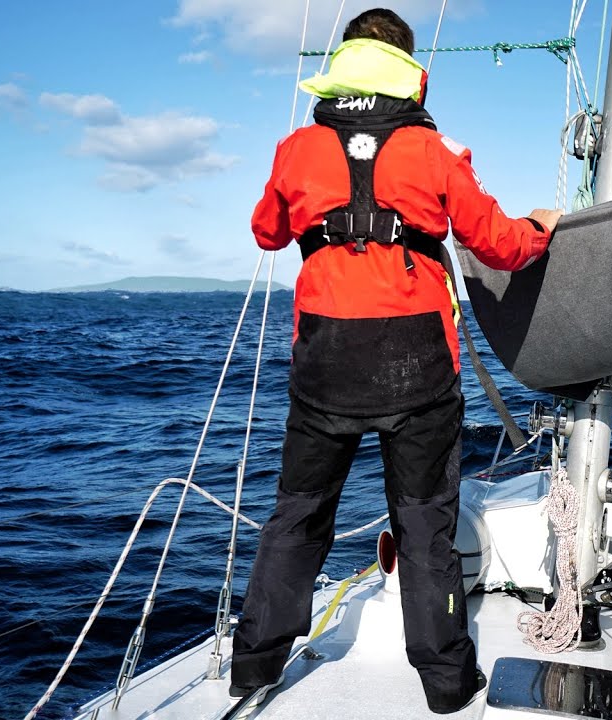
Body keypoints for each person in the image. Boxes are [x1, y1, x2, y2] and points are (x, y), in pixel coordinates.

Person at [230, 8, 562, 715]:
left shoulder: (297, 147)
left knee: (298, 516)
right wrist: (541, 227)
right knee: (422, 523)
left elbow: (265, 232)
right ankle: (446, 683)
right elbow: (501, 245)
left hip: (324, 360)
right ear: (409, 69)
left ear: (345, 58)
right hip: (417, 361)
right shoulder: (434, 151)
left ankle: (253, 667)